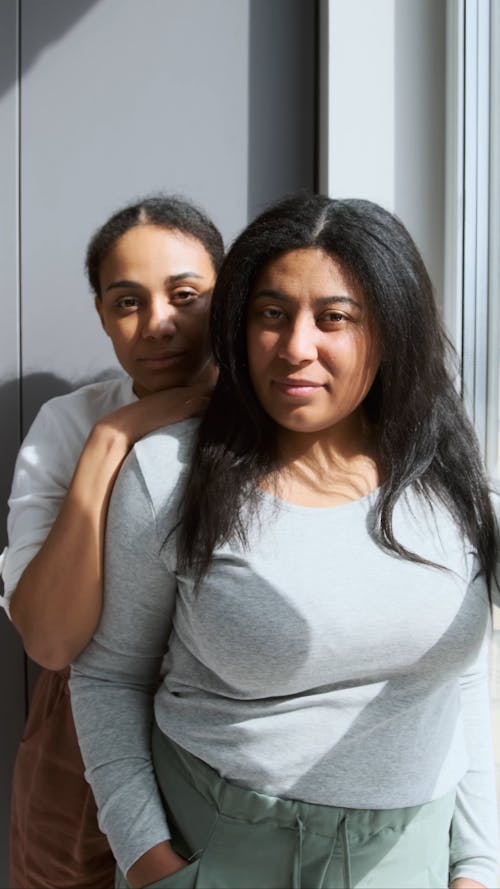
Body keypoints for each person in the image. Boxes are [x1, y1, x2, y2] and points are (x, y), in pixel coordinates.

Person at [70, 194, 499, 889]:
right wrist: (152, 864)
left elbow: (460, 678)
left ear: (389, 329)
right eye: (272, 314)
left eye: (334, 317)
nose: (296, 346)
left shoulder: (447, 474)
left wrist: (479, 865)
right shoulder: (169, 475)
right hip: (217, 848)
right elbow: (106, 676)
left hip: (412, 859)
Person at [1, 194, 224, 889]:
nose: (159, 323)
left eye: (185, 295)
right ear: (102, 315)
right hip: (79, 743)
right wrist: (112, 439)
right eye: (127, 301)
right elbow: (51, 641)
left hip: (222, 732)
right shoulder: (73, 424)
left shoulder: (284, 418)